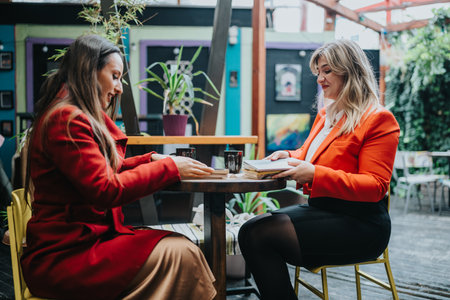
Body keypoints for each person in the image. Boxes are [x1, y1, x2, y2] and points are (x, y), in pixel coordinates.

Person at [21, 34, 217, 300]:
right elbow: (105, 188)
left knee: (182, 249)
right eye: (115, 76)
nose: (120, 87)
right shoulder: (67, 119)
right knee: (181, 253)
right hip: (65, 257)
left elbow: (99, 171)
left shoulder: (66, 113)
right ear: (88, 72)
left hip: (79, 246)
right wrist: (169, 166)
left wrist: (150, 160)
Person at [238, 39, 400, 300]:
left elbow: (375, 187)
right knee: (253, 228)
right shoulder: (328, 114)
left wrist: (314, 174)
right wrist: (288, 155)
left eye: (327, 71)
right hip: (323, 210)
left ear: (349, 71)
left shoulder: (378, 119)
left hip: (361, 224)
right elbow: (312, 155)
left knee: (257, 233)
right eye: (318, 72)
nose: (320, 79)